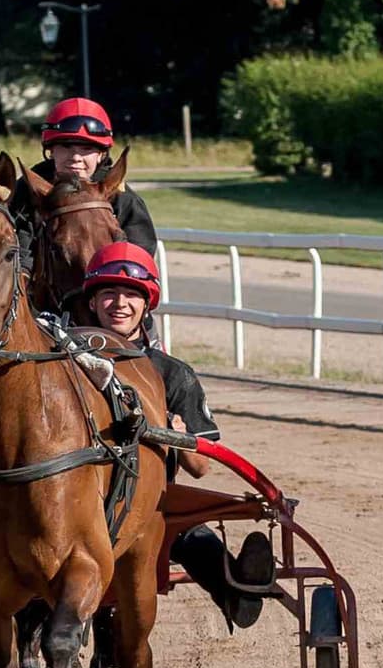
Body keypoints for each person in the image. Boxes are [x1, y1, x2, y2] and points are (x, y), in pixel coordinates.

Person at [73, 242, 274, 630]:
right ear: (93, 303)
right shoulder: (65, 367)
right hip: (76, 505)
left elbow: (200, 468)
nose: (119, 303)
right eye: (109, 294)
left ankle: (239, 595)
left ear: (146, 305)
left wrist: (176, 438)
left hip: (153, 504)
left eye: (131, 295)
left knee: (193, 538)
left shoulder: (172, 373)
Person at [33, 97, 158, 256]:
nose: (76, 157)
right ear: (51, 151)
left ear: (101, 155)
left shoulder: (123, 199)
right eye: (66, 146)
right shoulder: (26, 190)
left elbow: (140, 257)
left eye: (86, 148)